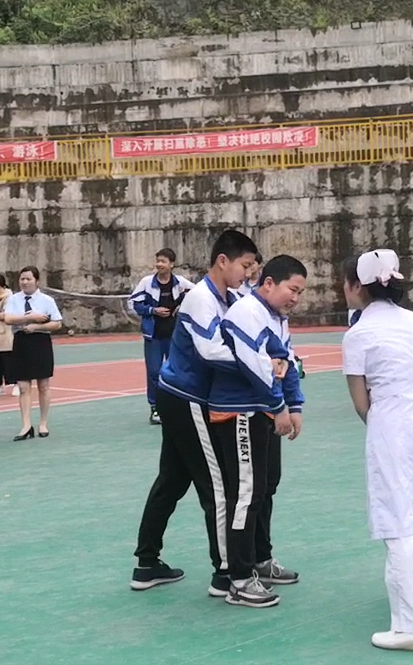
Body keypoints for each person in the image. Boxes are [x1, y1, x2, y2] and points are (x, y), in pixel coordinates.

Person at [130, 230, 259, 596]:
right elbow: (211, 351)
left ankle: (146, 563)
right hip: (187, 398)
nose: (248, 273)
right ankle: (225, 572)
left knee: (171, 481)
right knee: (216, 486)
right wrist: (259, 366)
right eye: (245, 265)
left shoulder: (229, 297)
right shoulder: (202, 298)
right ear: (223, 261)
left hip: (178, 395)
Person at [342, 249, 413, 653]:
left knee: (397, 523)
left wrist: (384, 429)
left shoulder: (358, 335)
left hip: (391, 428)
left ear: (357, 287)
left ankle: (411, 625)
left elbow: (361, 401)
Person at [210, 254, 308, 608]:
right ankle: (238, 579)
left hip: (263, 411)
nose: (295, 298)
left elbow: (287, 360)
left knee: (267, 486)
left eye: (300, 292)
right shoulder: (247, 313)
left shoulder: (276, 317)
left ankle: (260, 559)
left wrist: (294, 406)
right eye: (292, 289)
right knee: (246, 494)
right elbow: (255, 365)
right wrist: (278, 406)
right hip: (239, 412)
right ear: (268, 283)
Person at [130, 248, 195, 425]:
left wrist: (181, 307)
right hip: (153, 336)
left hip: (174, 336)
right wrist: (153, 310)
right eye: (158, 261)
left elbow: (198, 294)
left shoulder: (180, 283)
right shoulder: (147, 283)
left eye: (163, 261)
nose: (159, 264)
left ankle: (178, 406)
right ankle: (155, 408)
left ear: (171, 264)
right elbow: (133, 303)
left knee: (176, 371)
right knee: (154, 372)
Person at [3, 266, 64, 440]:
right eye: (22, 279)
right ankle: (26, 425)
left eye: (28, 279)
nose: (25, 282)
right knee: (23, 386)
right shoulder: (14, 299)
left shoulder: (47, 300)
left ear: (36, 281)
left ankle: (43, 423)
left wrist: (36, 326)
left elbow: (57, 323)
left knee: (43, 385)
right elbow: (8, 318)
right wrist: (28, 318)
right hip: (21, 342)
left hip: (40, 342)